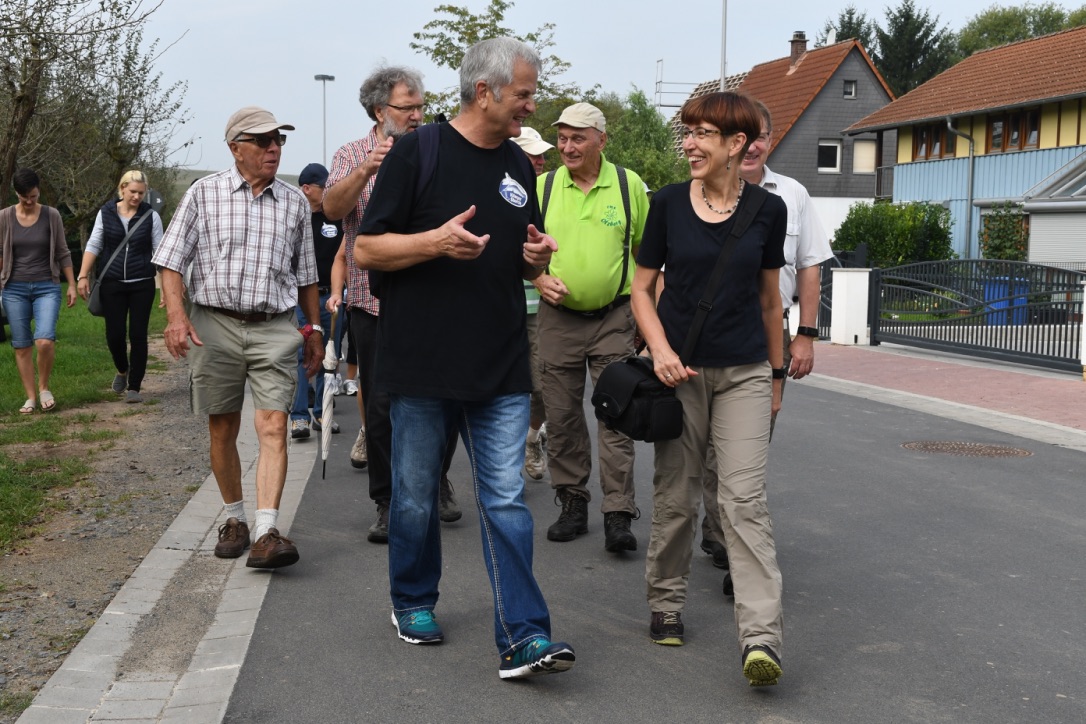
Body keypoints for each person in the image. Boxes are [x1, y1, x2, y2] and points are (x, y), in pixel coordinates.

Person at [356, 37, 575, 681]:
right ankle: (413, 599)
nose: (531, 107)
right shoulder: (417, 152)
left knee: (505, 500)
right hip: (423, 362)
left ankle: (524, 635)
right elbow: (367, 250)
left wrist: (533, 261)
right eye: (524, 94)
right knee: (415, 498)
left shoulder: (519, 167)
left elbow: (516, 258)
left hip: (500, 362)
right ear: (485, 91)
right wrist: (433, 242)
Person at [630, 91, 787, 686]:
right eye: (687, 133)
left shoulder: (769, 211)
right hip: (680, 374)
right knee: (677, 496)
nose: (689, 145)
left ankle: (761, 637)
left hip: (745, 372)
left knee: (744, 502)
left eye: (701, 134)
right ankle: (666, 602)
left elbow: (770, 302)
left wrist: (776, 376)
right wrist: (661, 351)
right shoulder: (668, 204)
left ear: (735, 144)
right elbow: (641, 290)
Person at [153, 106, 322, 570]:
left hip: (274, 326)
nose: (274, 148)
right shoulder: (203, 194)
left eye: (279, 140)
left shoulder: (294, 203)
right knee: (222, 426)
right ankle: (234, 519)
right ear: (235, 148)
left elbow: (307, 275)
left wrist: (313, 329)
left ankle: (267, 531)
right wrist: (176, 317)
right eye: (263, 141)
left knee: (273, 425)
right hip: (215, 324)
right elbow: (170, 261)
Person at [697, 97, 835, 575]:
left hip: (769, 328)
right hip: (708, 329)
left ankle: (730, 535)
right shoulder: (695, 192)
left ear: (770, 140)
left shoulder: (792, 195)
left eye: (762, 136)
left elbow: (810, 267)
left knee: (748, 446)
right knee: (708, 449)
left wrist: (806, 335)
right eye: (745, 136)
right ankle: (721, 534)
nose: (752, 146)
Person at [325, 65, 461, 543]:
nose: (418, 116)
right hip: (371, 302)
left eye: (421, 106)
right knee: (381, 407)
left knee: (443, 398)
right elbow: (332, 210)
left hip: (432, 300)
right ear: (379, 111)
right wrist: (368, 168)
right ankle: (386, 501)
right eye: (408, 108)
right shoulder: (350, 154)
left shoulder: (436, 149)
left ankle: (437, 479)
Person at [533, 102, 649, 552]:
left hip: (614, 319)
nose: (567, 147)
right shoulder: (543, 186)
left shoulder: (628, 184)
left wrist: (647, 316)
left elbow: (645, 255)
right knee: (561, 415)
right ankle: (573, 502)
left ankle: (618, 512)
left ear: (602, 139)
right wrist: (538, 279)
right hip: (558, 320)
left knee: (615, 414)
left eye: (578, 138)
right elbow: (518, 250)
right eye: (562, 138)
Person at [76, 170, 164, 404]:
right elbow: (94, 244)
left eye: (141, 193)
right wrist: (82, 275)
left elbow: (160, 252)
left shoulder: (151, 216)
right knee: (114, 335)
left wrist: (166, 288)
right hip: (112, 283)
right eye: (133, 191)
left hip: (142, 284)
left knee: (138, 335)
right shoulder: (105, 213)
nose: (136, 197)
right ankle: (122, 369)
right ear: (122, 188)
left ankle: (134, 387)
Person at [0, 169, 77, 414]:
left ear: (38, 190)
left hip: (47, 286)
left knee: (44, 341)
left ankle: (44, 388)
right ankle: (31, 397)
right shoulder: (4, 217)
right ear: (16, 193)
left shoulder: (52, 215)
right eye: (24, 197)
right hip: (14, 288)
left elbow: (63, 252)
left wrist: (72, 284)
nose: (29, 201)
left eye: (33, 196)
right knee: (22, 345)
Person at [511, 126, 554, 481]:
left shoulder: (552, 190)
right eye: (532, 154)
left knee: (542, 387)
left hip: (540, 309)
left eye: (541, 155)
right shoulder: (501, 190)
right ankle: (506, 468)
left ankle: (531, 438)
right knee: (505, 390)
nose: (540, 161)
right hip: (502, 306)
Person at [289, 162, 343, 440]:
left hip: (332, 297)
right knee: (301, 356)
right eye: (325, 187)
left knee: (329, 356)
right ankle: (299, 417)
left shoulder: (336, 216)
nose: (329, 191)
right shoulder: (294, 218)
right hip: (300, 299)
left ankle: (323, 414)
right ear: (307, 189)